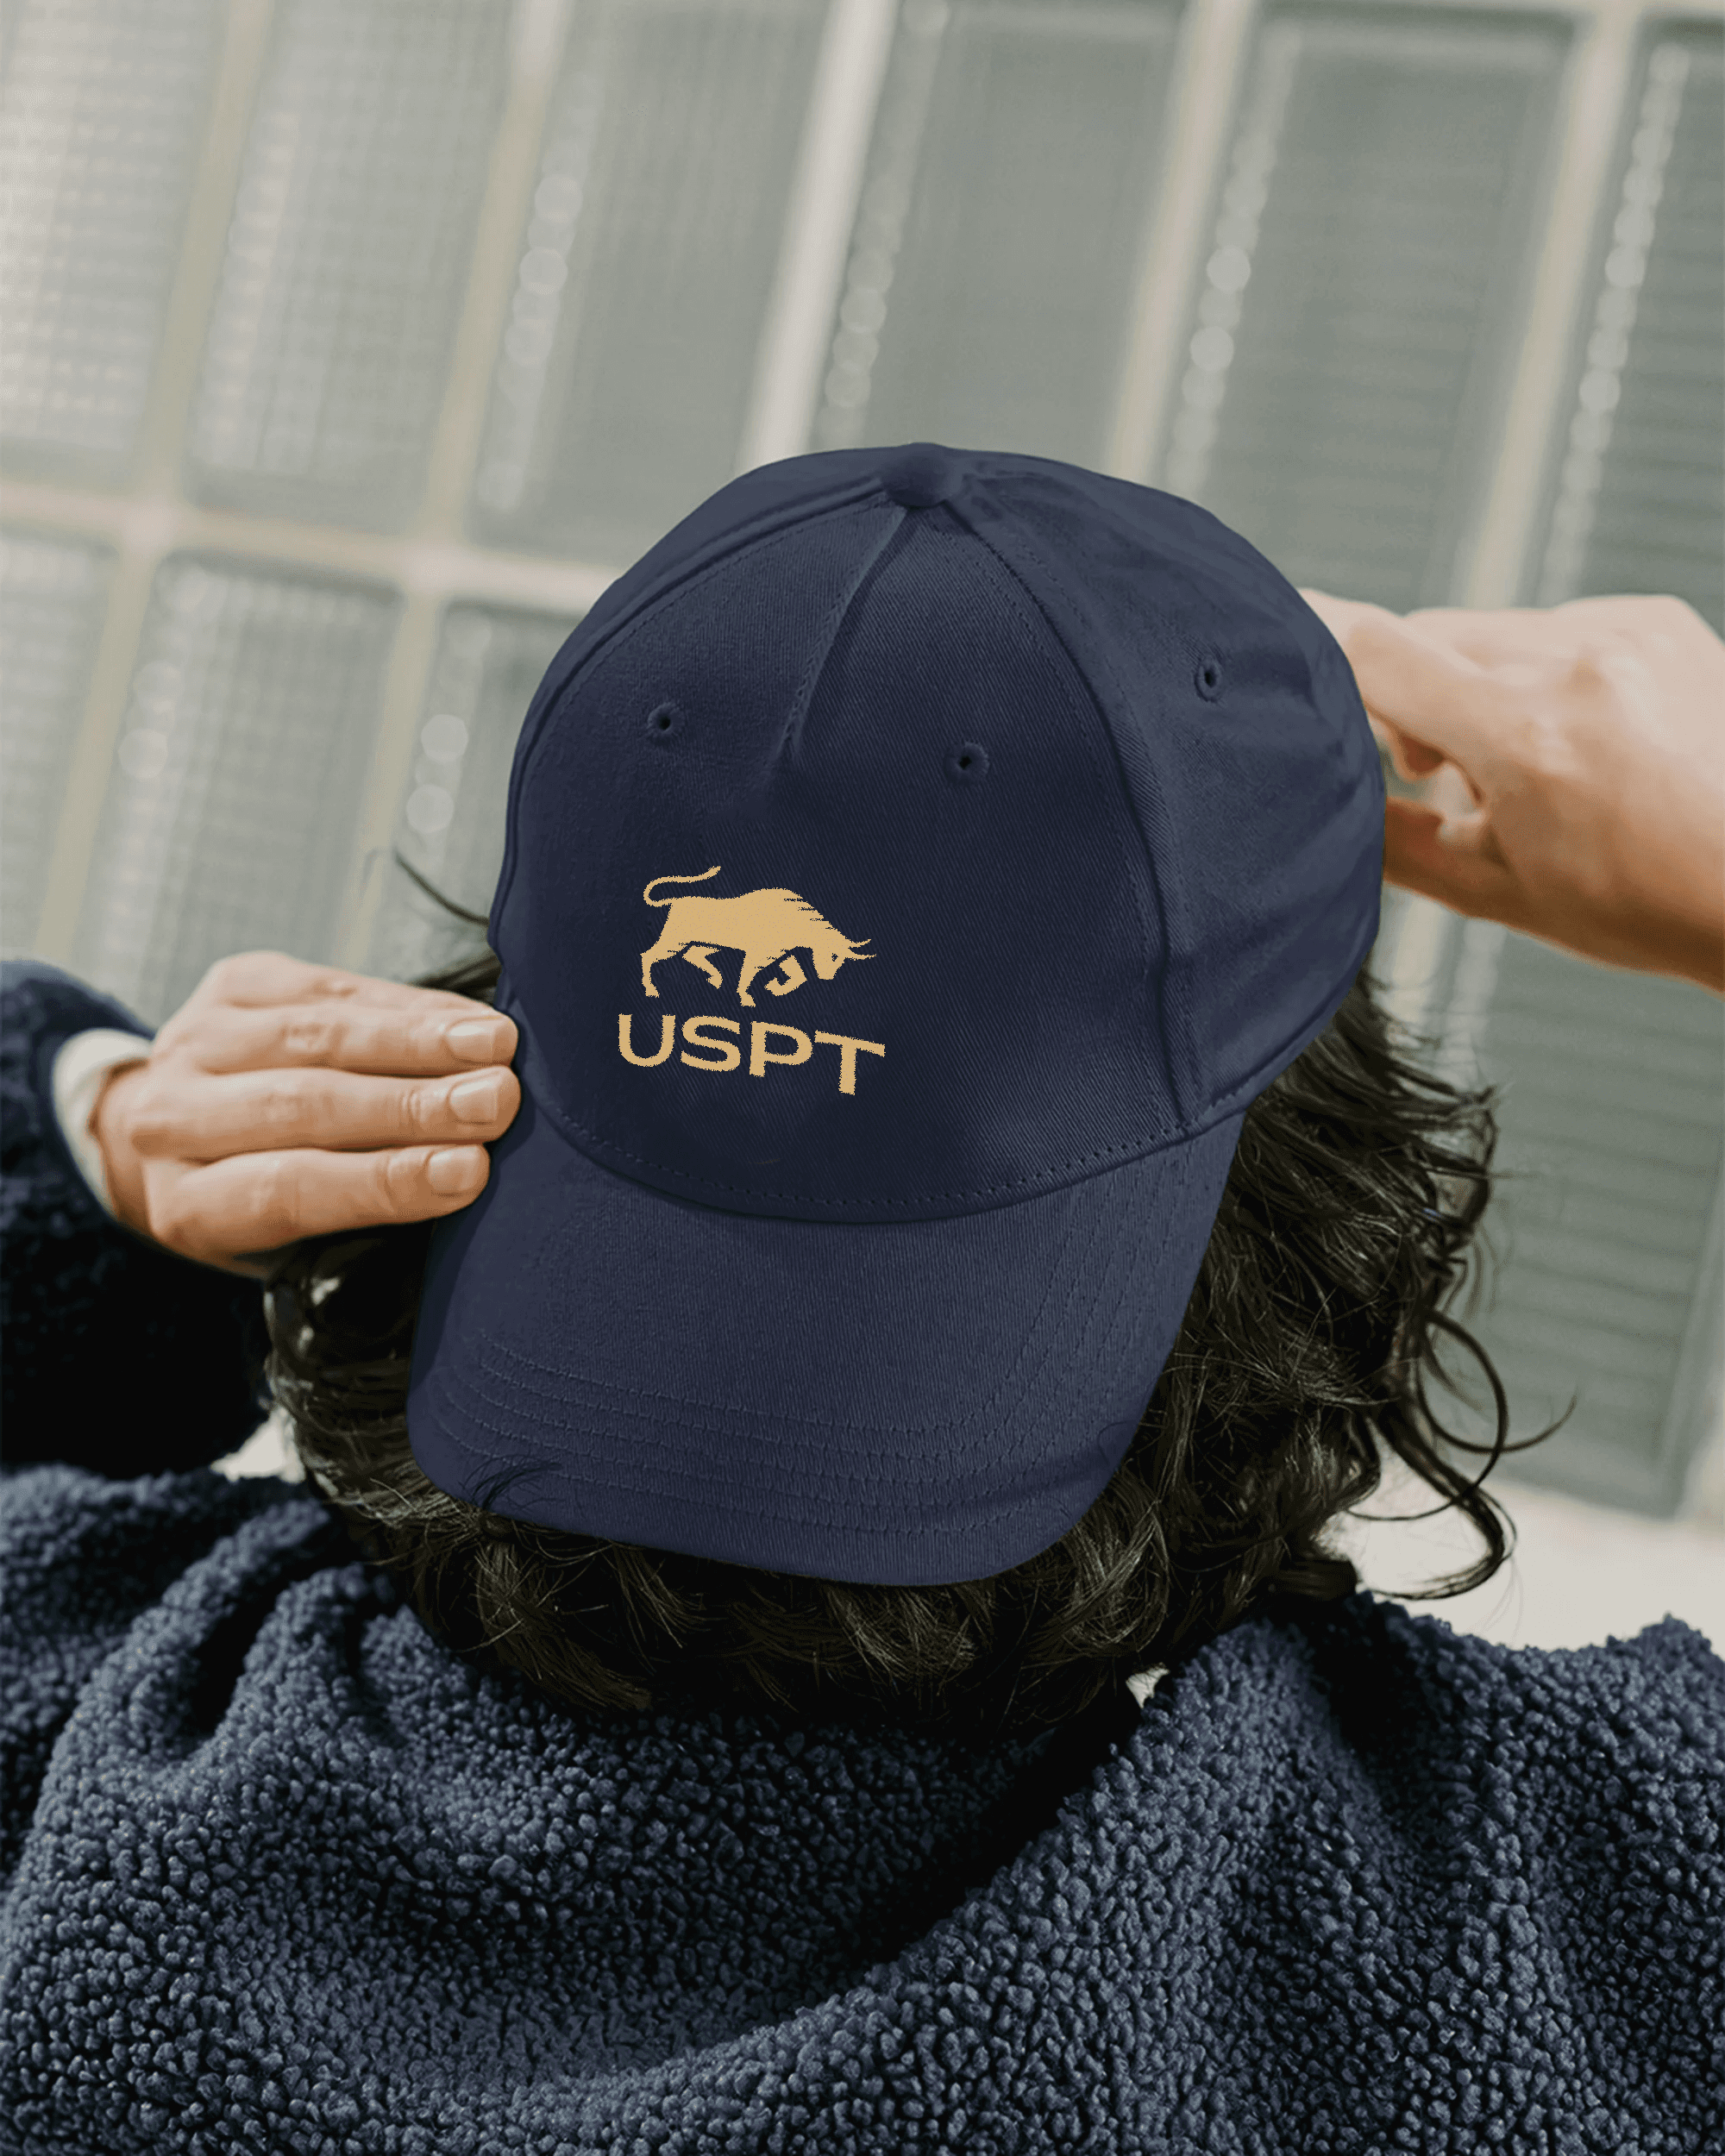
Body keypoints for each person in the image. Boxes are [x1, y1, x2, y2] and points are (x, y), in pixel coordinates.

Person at [2, 446, 1720, 2155]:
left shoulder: (81, 1736)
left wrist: (85, 1138)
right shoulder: (1525, 1948)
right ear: (1316, 1238)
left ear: (453, 1067)